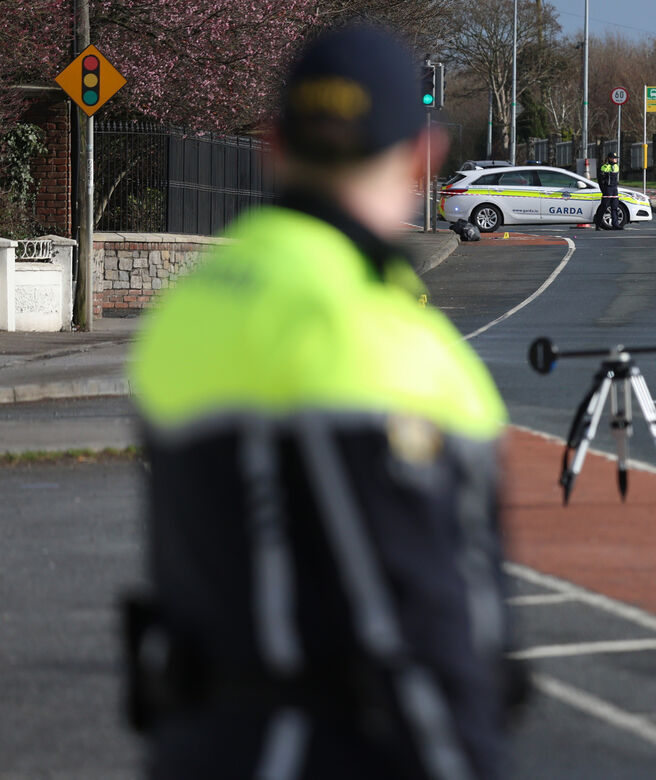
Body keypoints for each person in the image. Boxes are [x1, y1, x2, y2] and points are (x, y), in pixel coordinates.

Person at [125, 25, 520, 780]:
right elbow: (416, 644)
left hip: (197, 750)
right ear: (423, 155)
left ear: (274, 146)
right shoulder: (375, 340)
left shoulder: (190, 310)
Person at [594, 151, 622, 230]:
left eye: (616, 158)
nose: (616, 159)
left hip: (614, 189)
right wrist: (603, 190)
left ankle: (615, 225)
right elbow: (600, 180)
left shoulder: (616, 166)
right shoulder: (604, 167)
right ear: (609, 158)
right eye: (614, 158)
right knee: (604, 207)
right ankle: (598, 224)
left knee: (615, 207)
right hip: (607, 189)